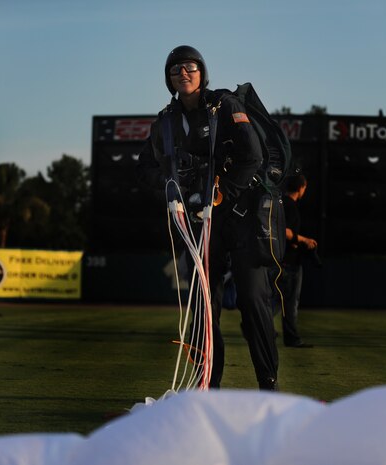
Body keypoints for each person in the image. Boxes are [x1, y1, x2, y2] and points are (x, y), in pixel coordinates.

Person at [137, 45, 278, 390]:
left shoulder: (224, 106)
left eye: (190, 67)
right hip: (200, 219)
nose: (183, 74)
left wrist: (223, 189)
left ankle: (268, 388)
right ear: (168, 80)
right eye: (175, 70)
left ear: (202, 73)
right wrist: (171, 187)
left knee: (252, 297)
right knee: (204, 304)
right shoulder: (165, 122)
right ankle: (206, 390)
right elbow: (145, 168)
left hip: (241, 212)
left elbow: (252, 156)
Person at [275, 173, 317, 348]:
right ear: (301, 188)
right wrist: (303, 240)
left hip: (278, 259)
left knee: (276, 301)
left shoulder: (279, 203)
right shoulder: (290, 206)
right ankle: (292, 338)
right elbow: (285, 231)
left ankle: (252, 324)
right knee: (290, 303)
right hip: (290, 263)